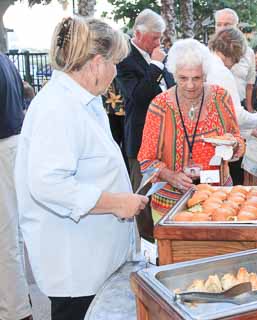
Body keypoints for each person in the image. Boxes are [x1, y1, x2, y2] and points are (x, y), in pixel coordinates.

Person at [15, 17, 148, 320]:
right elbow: (48, 184)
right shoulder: (58, 107)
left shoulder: (83, 100)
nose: (116, 72)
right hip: (75, 264)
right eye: (115, 63)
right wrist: (117, 203)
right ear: (97, 63)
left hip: (95, 255)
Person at [137, 39, 245, 223]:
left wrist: (233, 145)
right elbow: (146, 161)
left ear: (205, 75)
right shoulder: (160, 105)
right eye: (183, 78)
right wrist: (170, 175)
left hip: (218, 200)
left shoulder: (221, 97)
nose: (190, 85)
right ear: (174, 74)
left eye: (196, 78)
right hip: (170, 203)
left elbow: (237, 140)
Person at [116, 9, 175, 193]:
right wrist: (156, 65)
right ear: (139, 34)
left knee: (165, 193)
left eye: (160, 38)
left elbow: (171, 88)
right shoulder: (124, 58)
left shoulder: (160, 55)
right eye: (154, 38)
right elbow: (139, 97)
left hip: (167, 137)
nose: (158, 43)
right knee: (142, 196)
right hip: (141, 140)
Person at [208, 27, 257, 184]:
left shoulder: (207, 62)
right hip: (218, 146)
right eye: (237, 59)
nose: (234, 64)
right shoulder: (221, 71)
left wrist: (249, 130)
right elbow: (236, 116)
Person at [0, 53, 33, 320]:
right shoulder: (3, 59)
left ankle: (15, 310)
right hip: (11, 144)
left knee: (5, 238)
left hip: (4, 145)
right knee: (11, 236)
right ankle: (18, 302)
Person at [215, 8, 256, 112]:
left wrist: (250, 109)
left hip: (240, 108)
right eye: (218, 24)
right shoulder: (206, 53)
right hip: (214, 108)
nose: (222, 28)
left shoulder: (248, 53)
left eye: (227, 24)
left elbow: (249, 85)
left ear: (237, 27)